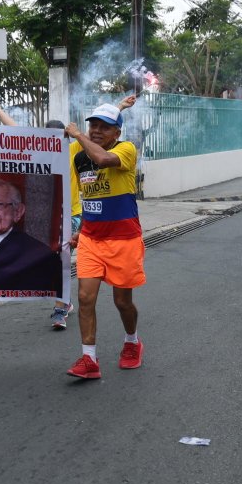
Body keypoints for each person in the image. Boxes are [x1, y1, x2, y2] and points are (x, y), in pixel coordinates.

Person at [63, 100, 144, 380]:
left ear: (116, 134)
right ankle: (89, 359)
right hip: (91, 239)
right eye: (92, 125)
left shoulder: (126, 150)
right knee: (85, 298)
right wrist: (81, 229)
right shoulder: (79, 156)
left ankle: (132, 341)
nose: (95, 131)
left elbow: (103, 159)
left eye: (103, 127)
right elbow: (90, 199)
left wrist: (77, 135)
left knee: (122, 302)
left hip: (124, 240)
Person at [0, 95, 75, 329]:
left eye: (59, 138)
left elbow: (98, 137)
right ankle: (63, 299)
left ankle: (59, 309)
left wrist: (120, 108)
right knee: (47, 258)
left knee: (62, 258)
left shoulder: (74, 151)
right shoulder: (38, 149)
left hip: (72, 214)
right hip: (48, 215)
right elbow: (14, 129)